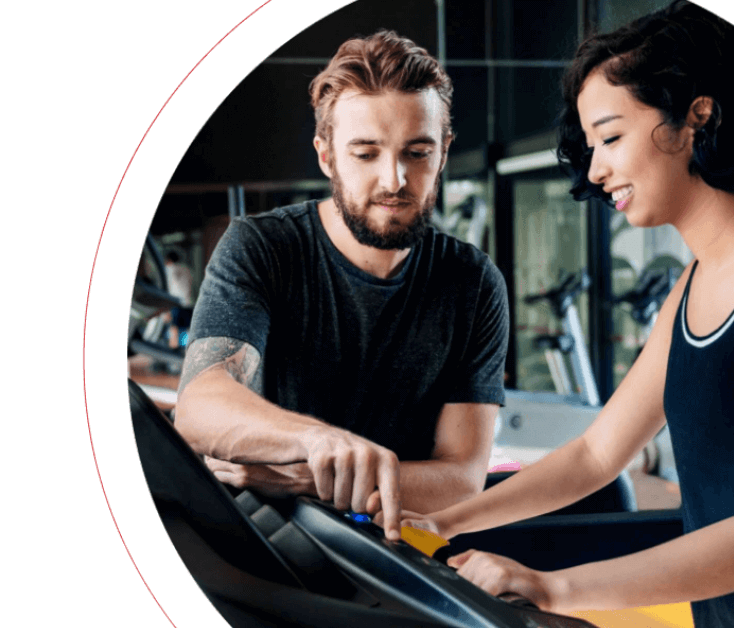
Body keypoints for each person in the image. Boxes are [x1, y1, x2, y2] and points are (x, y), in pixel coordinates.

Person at [394, 3, 734, 626]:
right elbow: (595, 457)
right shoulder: (690, 288)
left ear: (696, 117)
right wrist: (440, 523)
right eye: (590, 145)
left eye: (610, 137)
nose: (597, 168)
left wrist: (551, 588)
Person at [173, 30, 510, 541]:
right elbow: (200, 406)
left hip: (399, 554)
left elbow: (462, 480)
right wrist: (318, 440)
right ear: (327, 156)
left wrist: (304, 477)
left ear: (443, 154)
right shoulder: (261, 247)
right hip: (267, 543)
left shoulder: (473, 283)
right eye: (366, 153)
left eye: (416, 153)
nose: (394, 179)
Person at [163, 250, 194, 349]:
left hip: (176, 303)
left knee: (174, 330)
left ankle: (172, 356)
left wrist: (166, 310)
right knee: (188, 331)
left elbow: (166, 288)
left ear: (168, 260)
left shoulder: (169, 268)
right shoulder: (186, 269)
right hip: (189, 303)